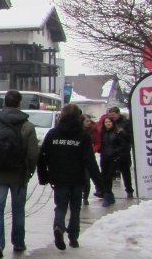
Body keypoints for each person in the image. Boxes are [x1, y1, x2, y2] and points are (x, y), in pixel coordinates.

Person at [0, 89, 40, 258]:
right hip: (19, 175)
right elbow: (33, 153)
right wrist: (30, 170)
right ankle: (18, 242)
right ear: (19, 103)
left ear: (4, 103)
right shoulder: (27, 126)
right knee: (18, 209)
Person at [37, 104, 103, 250]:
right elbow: (90, 161)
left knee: (60, 206)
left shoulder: (53, 134)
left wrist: (43, 176)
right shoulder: (83, 136)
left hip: (58, 177)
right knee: (75, 208)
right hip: (77, 177)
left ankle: (58, 226)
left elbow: (41, 156)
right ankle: (73, 237)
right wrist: (100, 184)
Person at [103, 106, 134, 198]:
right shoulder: (109, 123)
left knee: (125, 172)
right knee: (109, 173)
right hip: (112, 152)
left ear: (118, 113)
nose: (112, 117)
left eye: (113, 115)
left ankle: (129, 190)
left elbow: (130, 137)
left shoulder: (126, 123)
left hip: (123, 152)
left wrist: (123, 132)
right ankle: (108, 192)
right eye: (110, 115)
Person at [98, 116, 129, 206]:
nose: (108, 123)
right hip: (104, 157)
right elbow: (100, 144)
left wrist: (115, 152)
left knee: (109, 176)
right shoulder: (102, 133)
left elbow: (123, 144)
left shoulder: (118, 132)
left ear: (112, 123)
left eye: (109, 122)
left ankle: (108, 195)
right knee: (104, 176)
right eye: (106, 122)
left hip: (114, 158)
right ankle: (108, 194)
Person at [82, 114, 101, 204]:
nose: (89, 123)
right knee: (84, 178)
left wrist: (93, 150)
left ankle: (86, 196)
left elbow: (98, 142)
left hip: (89, 157)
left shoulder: (94, 130)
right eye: (87, 121)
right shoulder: (77, 130)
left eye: (89, 121)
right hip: (79, 158)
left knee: (91, 176)